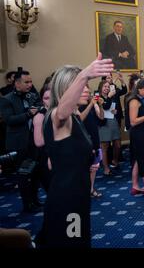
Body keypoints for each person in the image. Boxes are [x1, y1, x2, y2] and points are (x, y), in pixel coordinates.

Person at [38, 53, 113, 248]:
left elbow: (52, 161)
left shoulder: (75, 117)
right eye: (81, 85)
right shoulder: (56, 115)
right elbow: (62, 111)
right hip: (67, 200)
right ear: (65, 89)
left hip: (78, 194)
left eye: (87, 85)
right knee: (72, 243)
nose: (86, 89)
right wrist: (85, 75)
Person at [0, 70, 42, 212]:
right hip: (19, 142)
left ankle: (36, 200)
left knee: (36, 171)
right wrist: (28, 114)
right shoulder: (7, 99)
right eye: (27, 82)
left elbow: (40, 108)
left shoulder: (32, 95)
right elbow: (9, 120)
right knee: (24, 174)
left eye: (31, 81)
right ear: (17, 84)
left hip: (33, 140)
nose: (30, 84)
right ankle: (27, 203)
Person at [78, 87, 104, 198]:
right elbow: (79, 119)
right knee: (84, 167)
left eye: (89, 92)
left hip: (94, 137)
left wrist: (100, 105)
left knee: (94, 166)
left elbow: (101, 117)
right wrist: (90, 105)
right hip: (83, 139)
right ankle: (83, 190)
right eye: (85, 92)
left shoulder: (93, 103)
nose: (88, 94)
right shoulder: (77, 105)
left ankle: (91, 188)